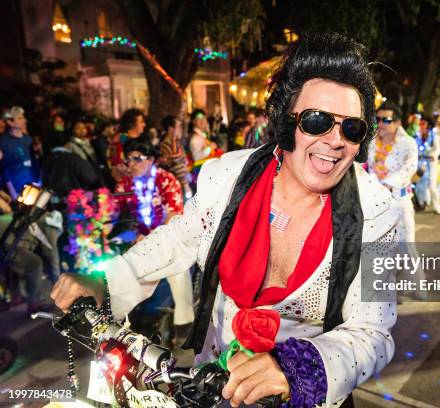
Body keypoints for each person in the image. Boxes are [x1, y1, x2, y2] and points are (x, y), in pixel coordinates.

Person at [51, 32, 398, 408]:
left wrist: (296, 370)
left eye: (351, 128)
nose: (335, 140)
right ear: (287, 121)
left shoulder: (378, 213)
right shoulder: (226, 177)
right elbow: (176, 241)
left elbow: (374, 333)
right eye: (317, 121)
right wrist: (105, 281)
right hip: (212, 387)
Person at [113, 137, 194, 328]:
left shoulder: (166, 180)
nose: (131, 165)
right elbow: (115, 211)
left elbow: (173, 216)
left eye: (136, 159)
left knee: (178, 268)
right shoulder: (125, 184)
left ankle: (184, 319)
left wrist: (150, 238)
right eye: (128, 160)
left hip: (167, 235)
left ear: (150, 160)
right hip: (136, 238)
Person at [368, 101, 418, 242]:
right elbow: (363, 165)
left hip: (399, 201)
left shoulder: (408, 143)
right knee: (378, 248)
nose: (381, 124)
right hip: (374, 203)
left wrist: (387, 184)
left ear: (397, 123)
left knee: (406, 248)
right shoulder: (370, 142)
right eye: (377, 119)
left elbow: (410, 167)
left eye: (386, 120)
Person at [0, 107, 36, 199]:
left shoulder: (28, 139)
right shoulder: (4, 142)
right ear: (10, 122)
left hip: (32, 186)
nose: (24, 120)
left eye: (23, 117)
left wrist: (37, 182)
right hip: (16, 188)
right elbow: (5, 169)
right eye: (20, 118)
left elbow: (34, 163)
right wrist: (13, 192)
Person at [159, 115, 192, 198]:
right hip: (178, 186)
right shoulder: (167, 145)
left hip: (182, 183)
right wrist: (185, 184)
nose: (181, 129)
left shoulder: (175, 143)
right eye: (179, 127)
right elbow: (177, 165)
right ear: (171, 129)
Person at [109, 108, 146, 180]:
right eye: (141, 122)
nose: (144, 125)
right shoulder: (122, 139)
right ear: (132, 124)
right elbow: (119, 165)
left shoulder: (131, 139)